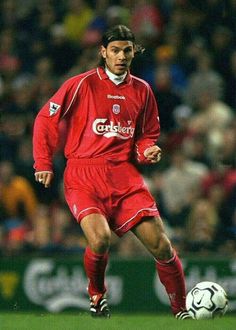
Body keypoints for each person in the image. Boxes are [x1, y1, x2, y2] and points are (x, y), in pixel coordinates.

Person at [32, 25, 191, 320]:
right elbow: (45, 118)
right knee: (100, 238)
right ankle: (96, 295)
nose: (121, 56)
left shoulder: (142, 90)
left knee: (162, 245)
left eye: (127, 50)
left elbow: (147, 136)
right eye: (115, 50)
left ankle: (181, 311)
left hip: (124, 176)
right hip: (83, 174)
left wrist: (148, 151)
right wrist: (42, 162)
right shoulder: (81, 84)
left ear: (134, 53)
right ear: (103, 52)